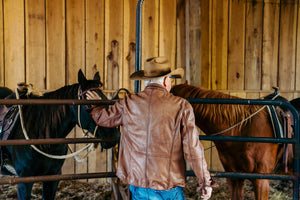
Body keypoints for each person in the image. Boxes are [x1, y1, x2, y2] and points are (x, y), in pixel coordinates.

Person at [86, 56, 217, 200]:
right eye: (171, 80)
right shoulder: (182, 106)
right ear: (166, 81)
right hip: (169, 183)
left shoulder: (129, 102)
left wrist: (94, 105)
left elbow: (104, 119)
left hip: (140, 182)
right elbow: (193, 149)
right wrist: (205, 181)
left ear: (145, 81)